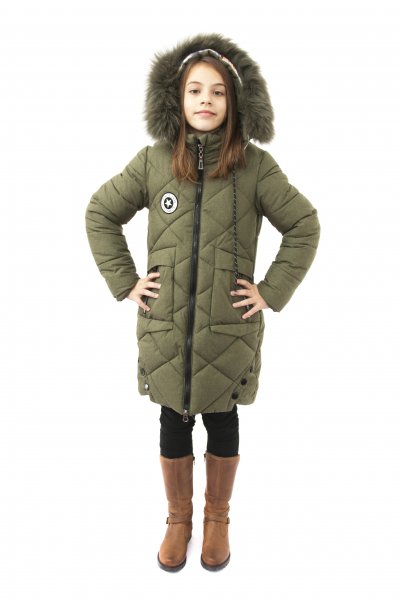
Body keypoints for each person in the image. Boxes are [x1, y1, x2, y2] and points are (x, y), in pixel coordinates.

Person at [85, 33, 320, 573]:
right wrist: (126, 281)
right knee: (172, 418)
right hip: (165, 326)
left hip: (227, 328)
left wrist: (271, 291)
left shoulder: (255, 168)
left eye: (217, 91)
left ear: (234, 103)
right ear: (177, 98)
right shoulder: (153, 163)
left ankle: (217, 517)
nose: (206, 100)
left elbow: (303, 225)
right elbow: (100, 213)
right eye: (195, 90)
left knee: (222, 417)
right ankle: (178, 518)